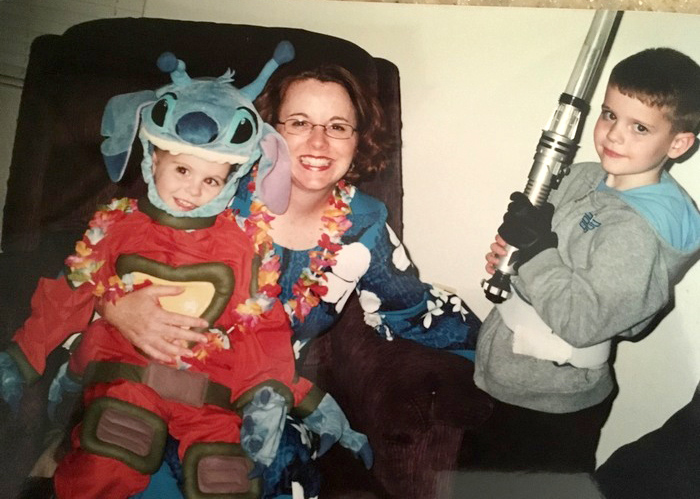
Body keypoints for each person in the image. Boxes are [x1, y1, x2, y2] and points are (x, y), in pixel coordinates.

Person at [0, 49, 371, 498]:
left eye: (336, 126)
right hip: (128, 380)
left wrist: (281, 396)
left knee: (223, 477)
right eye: (299, 122)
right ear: (151, 159)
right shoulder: (120, 224)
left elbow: (262, 328)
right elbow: (72, 288)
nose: (193, 190)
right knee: (114, 450)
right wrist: (23, 357)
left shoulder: (249, 240)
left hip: (218, 395)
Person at [101, 62, 484, 494]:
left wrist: (496, 349)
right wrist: (112, 306)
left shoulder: (364, 227)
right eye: (299, 122)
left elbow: (413, 308)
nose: (318, 142)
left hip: (267, 400)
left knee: (262, 468)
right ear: (269, 131)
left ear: (359, 140)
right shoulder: (212, 190)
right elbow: (103, 248)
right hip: (151, 385)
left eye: (338, 126)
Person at [475, 47, 700, 473]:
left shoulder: (637, 231)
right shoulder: (583, 175)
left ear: (678, 143)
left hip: (553, 404)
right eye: (610, 114)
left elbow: (583, 321)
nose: (614, 135)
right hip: (506, 377)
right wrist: (514, 254)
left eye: (639, 127)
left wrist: (536, 254)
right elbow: (541, 260)